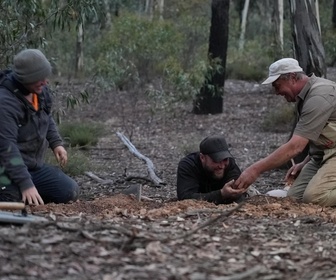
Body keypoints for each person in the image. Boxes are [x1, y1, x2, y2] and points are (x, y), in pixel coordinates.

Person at [235, 57, 336, 207]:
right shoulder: (305, 96)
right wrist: (304, 162)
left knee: (315, 197)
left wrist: (255, 170)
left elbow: (296, 146)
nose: (276, 92)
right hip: (324, 154)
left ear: (293, 78)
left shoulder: (319, 96)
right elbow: (319, 136)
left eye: (277, 86)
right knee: (294, 198)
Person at [0, 49, 79, 205]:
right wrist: (26, 184)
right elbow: (7, 148)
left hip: (32, 166)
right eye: (39, 78)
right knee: (13, 201)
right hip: (5, 169)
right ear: (25, 79)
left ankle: (28, 191)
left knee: (69, 191)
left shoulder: (39, 91)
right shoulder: (5, 103)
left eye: (45, 77)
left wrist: (56, 143)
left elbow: (46, 118)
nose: (45, 82)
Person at [176, 135, 252, 204]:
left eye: (225, 159)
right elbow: (185, 198)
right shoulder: (188, 165)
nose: (222, 166)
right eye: (216, 160)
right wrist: (221, 194)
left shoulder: (229, 163)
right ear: (202, 158)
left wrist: (235, 191)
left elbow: (237, 193)